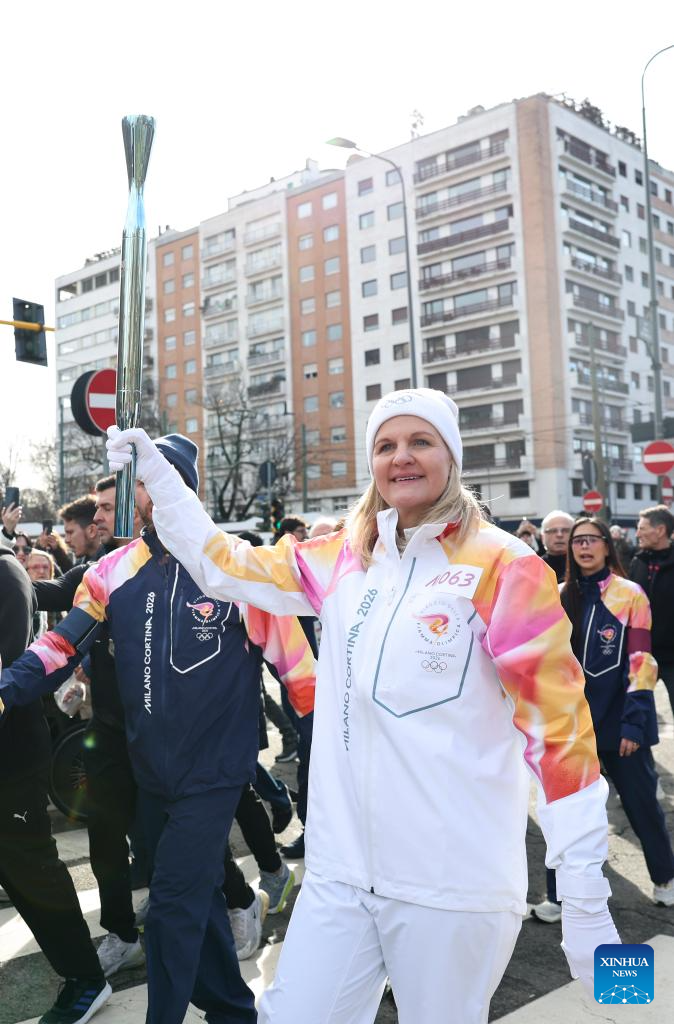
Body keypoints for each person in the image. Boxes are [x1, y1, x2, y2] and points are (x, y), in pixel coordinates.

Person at [106, 389, 620, 1023]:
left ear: (451, 456)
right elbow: (226, 566)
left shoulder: (505, 566)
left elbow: (561, 735)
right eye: (386, 446)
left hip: (449, 883)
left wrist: (585, 897)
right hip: (341, 872)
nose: (401, 457)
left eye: (420, 442)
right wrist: (161, 479)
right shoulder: (344, 557)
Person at [0, 434, 316, 1024]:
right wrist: (5, 687)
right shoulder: (110, 572)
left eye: (143, 480)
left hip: (214, 774)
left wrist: (328, 771)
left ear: (182, 487)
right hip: (150, 775)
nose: (130, 494)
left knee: (169, 908)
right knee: (196, 903)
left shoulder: (239, 566)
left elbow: (301, 677)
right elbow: (60, 645)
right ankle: (233, 1012)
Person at [533, 517, 674, 922]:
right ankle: (559, 896)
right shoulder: (559, 595)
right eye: (577, 541)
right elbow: (545, 665)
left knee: (642, 806)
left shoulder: (630, 594)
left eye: (591, 539)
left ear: (607, 546)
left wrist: (634, 723)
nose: (583, 546)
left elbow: (642, 663)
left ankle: (665, 878)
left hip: (620, 725)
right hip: (570, 729)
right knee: (565, 816)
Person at [0, 529, 111, 1023]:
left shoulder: (5, 573)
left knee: (32, 872)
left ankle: (86, 978)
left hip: (10, 760)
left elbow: (9, 677)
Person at [629, 504, 674, 721]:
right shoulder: (637, 562)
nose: (637, 534)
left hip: (672, 656)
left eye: (642, 528)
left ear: (660, 530)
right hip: (642, 655)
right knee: (634, 714)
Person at [57, 495, 105, 564]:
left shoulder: (114, 565)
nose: (66, 540)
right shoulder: (81, 564)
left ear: (92, 531)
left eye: (70, 532)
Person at [539, 509, 574, 582]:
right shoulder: (534, 567)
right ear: (542, 537)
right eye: (553, 531)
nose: (559, 535)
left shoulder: (585, 566)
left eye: (565, 530)